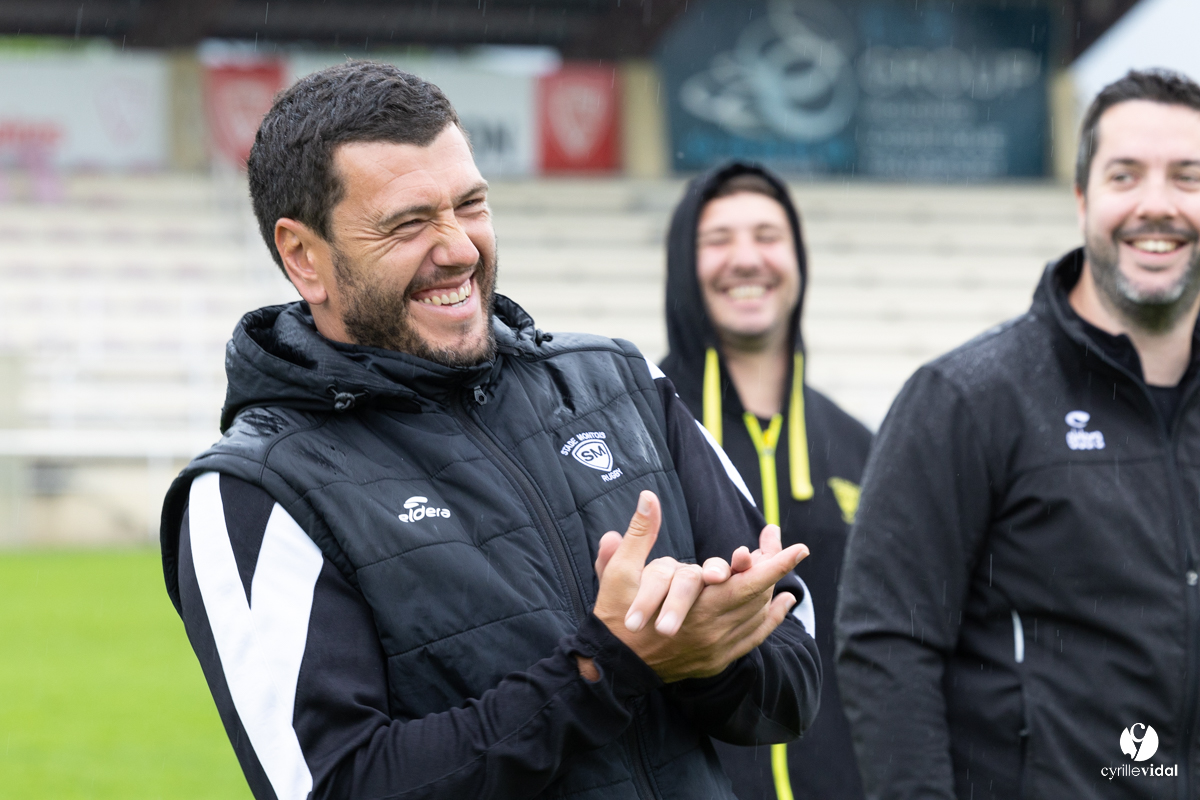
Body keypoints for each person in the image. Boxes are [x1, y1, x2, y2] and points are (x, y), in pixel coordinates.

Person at [159, 61, 822, 800]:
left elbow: (793, 679)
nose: (460, 249)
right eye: (410, 223)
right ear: (304, 257)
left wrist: (710, 656)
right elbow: (335, 785)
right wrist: (602, 668)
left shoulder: (621, 384)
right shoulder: (253, 489)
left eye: (470, 205)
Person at [836, 68, 1200, 799]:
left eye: (1188, 178)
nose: (1156, 205)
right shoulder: (965, 400)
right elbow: (887, 644)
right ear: (1081, 199)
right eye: (1125, 175)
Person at [659, 162, 872, 800]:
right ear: (681, 265)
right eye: (717, 239)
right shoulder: (633, 432)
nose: (746, 259)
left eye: (768, 236)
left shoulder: (865, 447)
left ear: (798, 259)